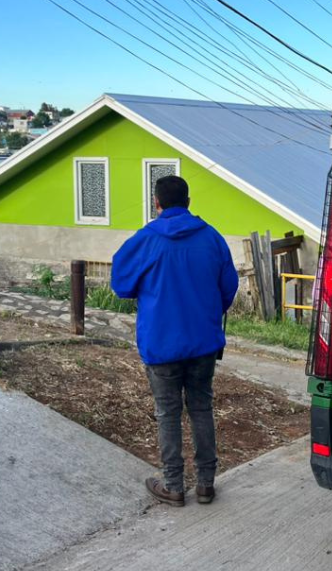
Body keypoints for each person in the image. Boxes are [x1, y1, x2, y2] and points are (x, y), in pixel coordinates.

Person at [111, 175, 239, 507]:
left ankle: (173, 486)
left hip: (161, 343)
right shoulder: (211, 238)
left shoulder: (146, 240)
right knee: (201, 407)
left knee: (167, 412)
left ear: (156, 203)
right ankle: (206, 484)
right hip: (204, 342)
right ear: (188, 202)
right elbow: (228, 288)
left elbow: (121, 286)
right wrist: (208, 312)